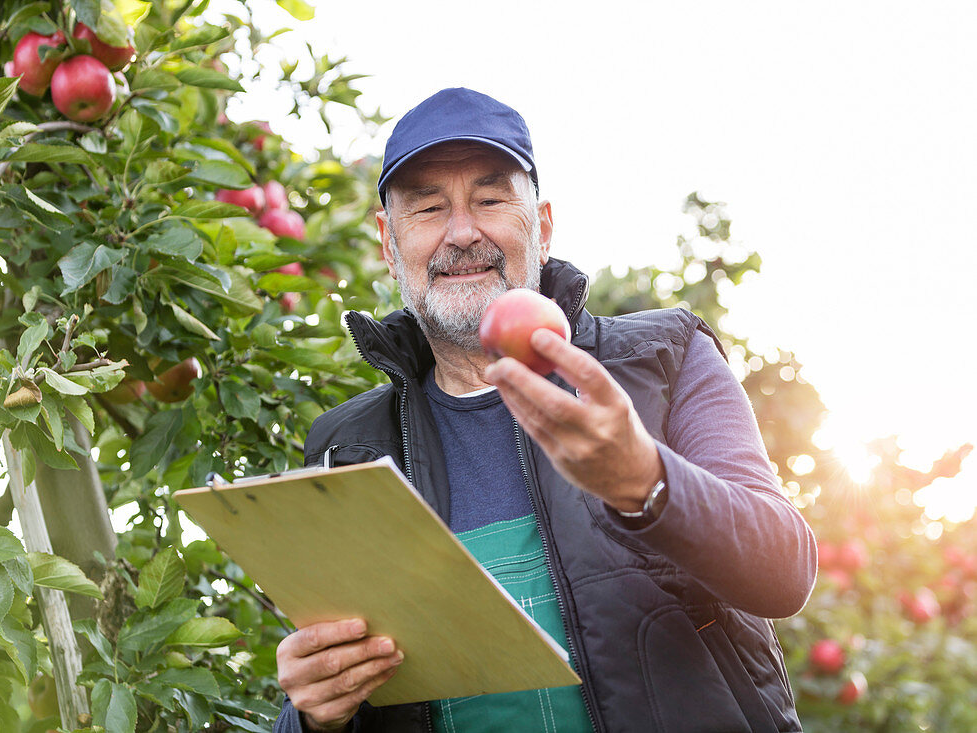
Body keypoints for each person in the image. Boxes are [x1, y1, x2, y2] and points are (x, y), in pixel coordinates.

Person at [273, 87, 816, 733]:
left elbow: (784, 571)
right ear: (389, 244)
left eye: (491, 199)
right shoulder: (348, 443)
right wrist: (312, 717)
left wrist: (646, 480)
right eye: (427, 207)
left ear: (544, 224)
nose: (463, 231)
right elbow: (341, 684)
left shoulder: (664, 358)